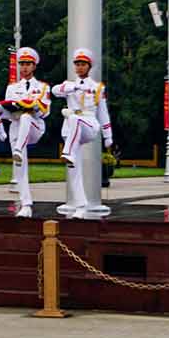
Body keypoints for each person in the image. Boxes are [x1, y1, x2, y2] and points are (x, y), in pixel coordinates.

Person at [53, 48, 114, 219]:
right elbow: (54, 91)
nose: (79, 67)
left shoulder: (97, 88)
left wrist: (108, 135)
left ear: (89, 66)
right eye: (77, 64)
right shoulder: (68, 85)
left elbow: (103, 112)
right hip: (72, 131)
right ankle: (80, 205)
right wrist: (70, 87)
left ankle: (67, 152)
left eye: (83, 64)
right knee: (74, 169)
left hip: (89, 125)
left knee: (73, 118)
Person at [0, 48, 52, 218]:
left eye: (28, 64)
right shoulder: (12, 87)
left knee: (27, 117)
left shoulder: (42, 87)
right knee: (20, 167)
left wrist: (32, 106)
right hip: (16, 125)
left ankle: (19, 150)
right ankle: (26, 204)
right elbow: (8, 113)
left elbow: (46, 111)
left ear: (34, 66)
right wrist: (1, 109)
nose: (25, 68)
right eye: (22, 64)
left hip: (34, 125)